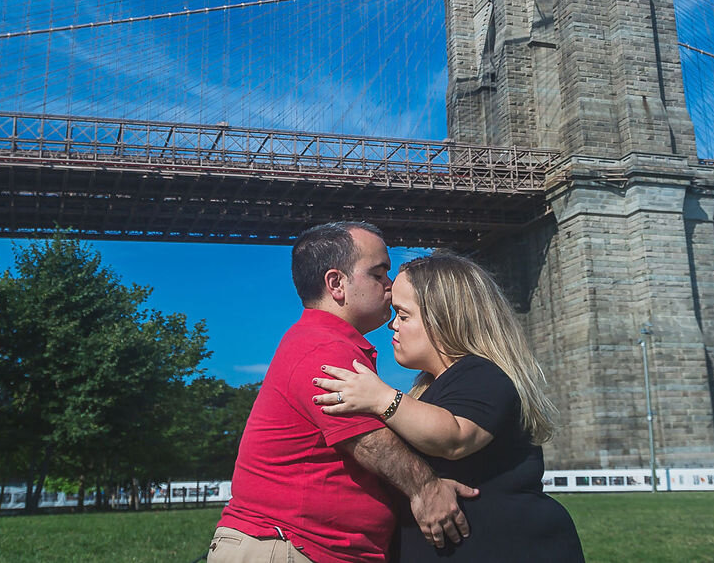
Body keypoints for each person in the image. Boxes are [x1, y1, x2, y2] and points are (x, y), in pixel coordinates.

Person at [212, 222, 479, 563]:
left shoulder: (322, 342)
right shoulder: (321, 347)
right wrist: (426, 489)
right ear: (336, 283)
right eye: (379, 273)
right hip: (286, 545)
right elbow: (369, 440)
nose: (390, 284)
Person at [312, 251, 585, 562]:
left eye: (403, 315)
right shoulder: (430, 389)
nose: (392, 326)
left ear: (444, 319)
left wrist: (380, 398)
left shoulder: (482, 374)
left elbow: (455, 437)